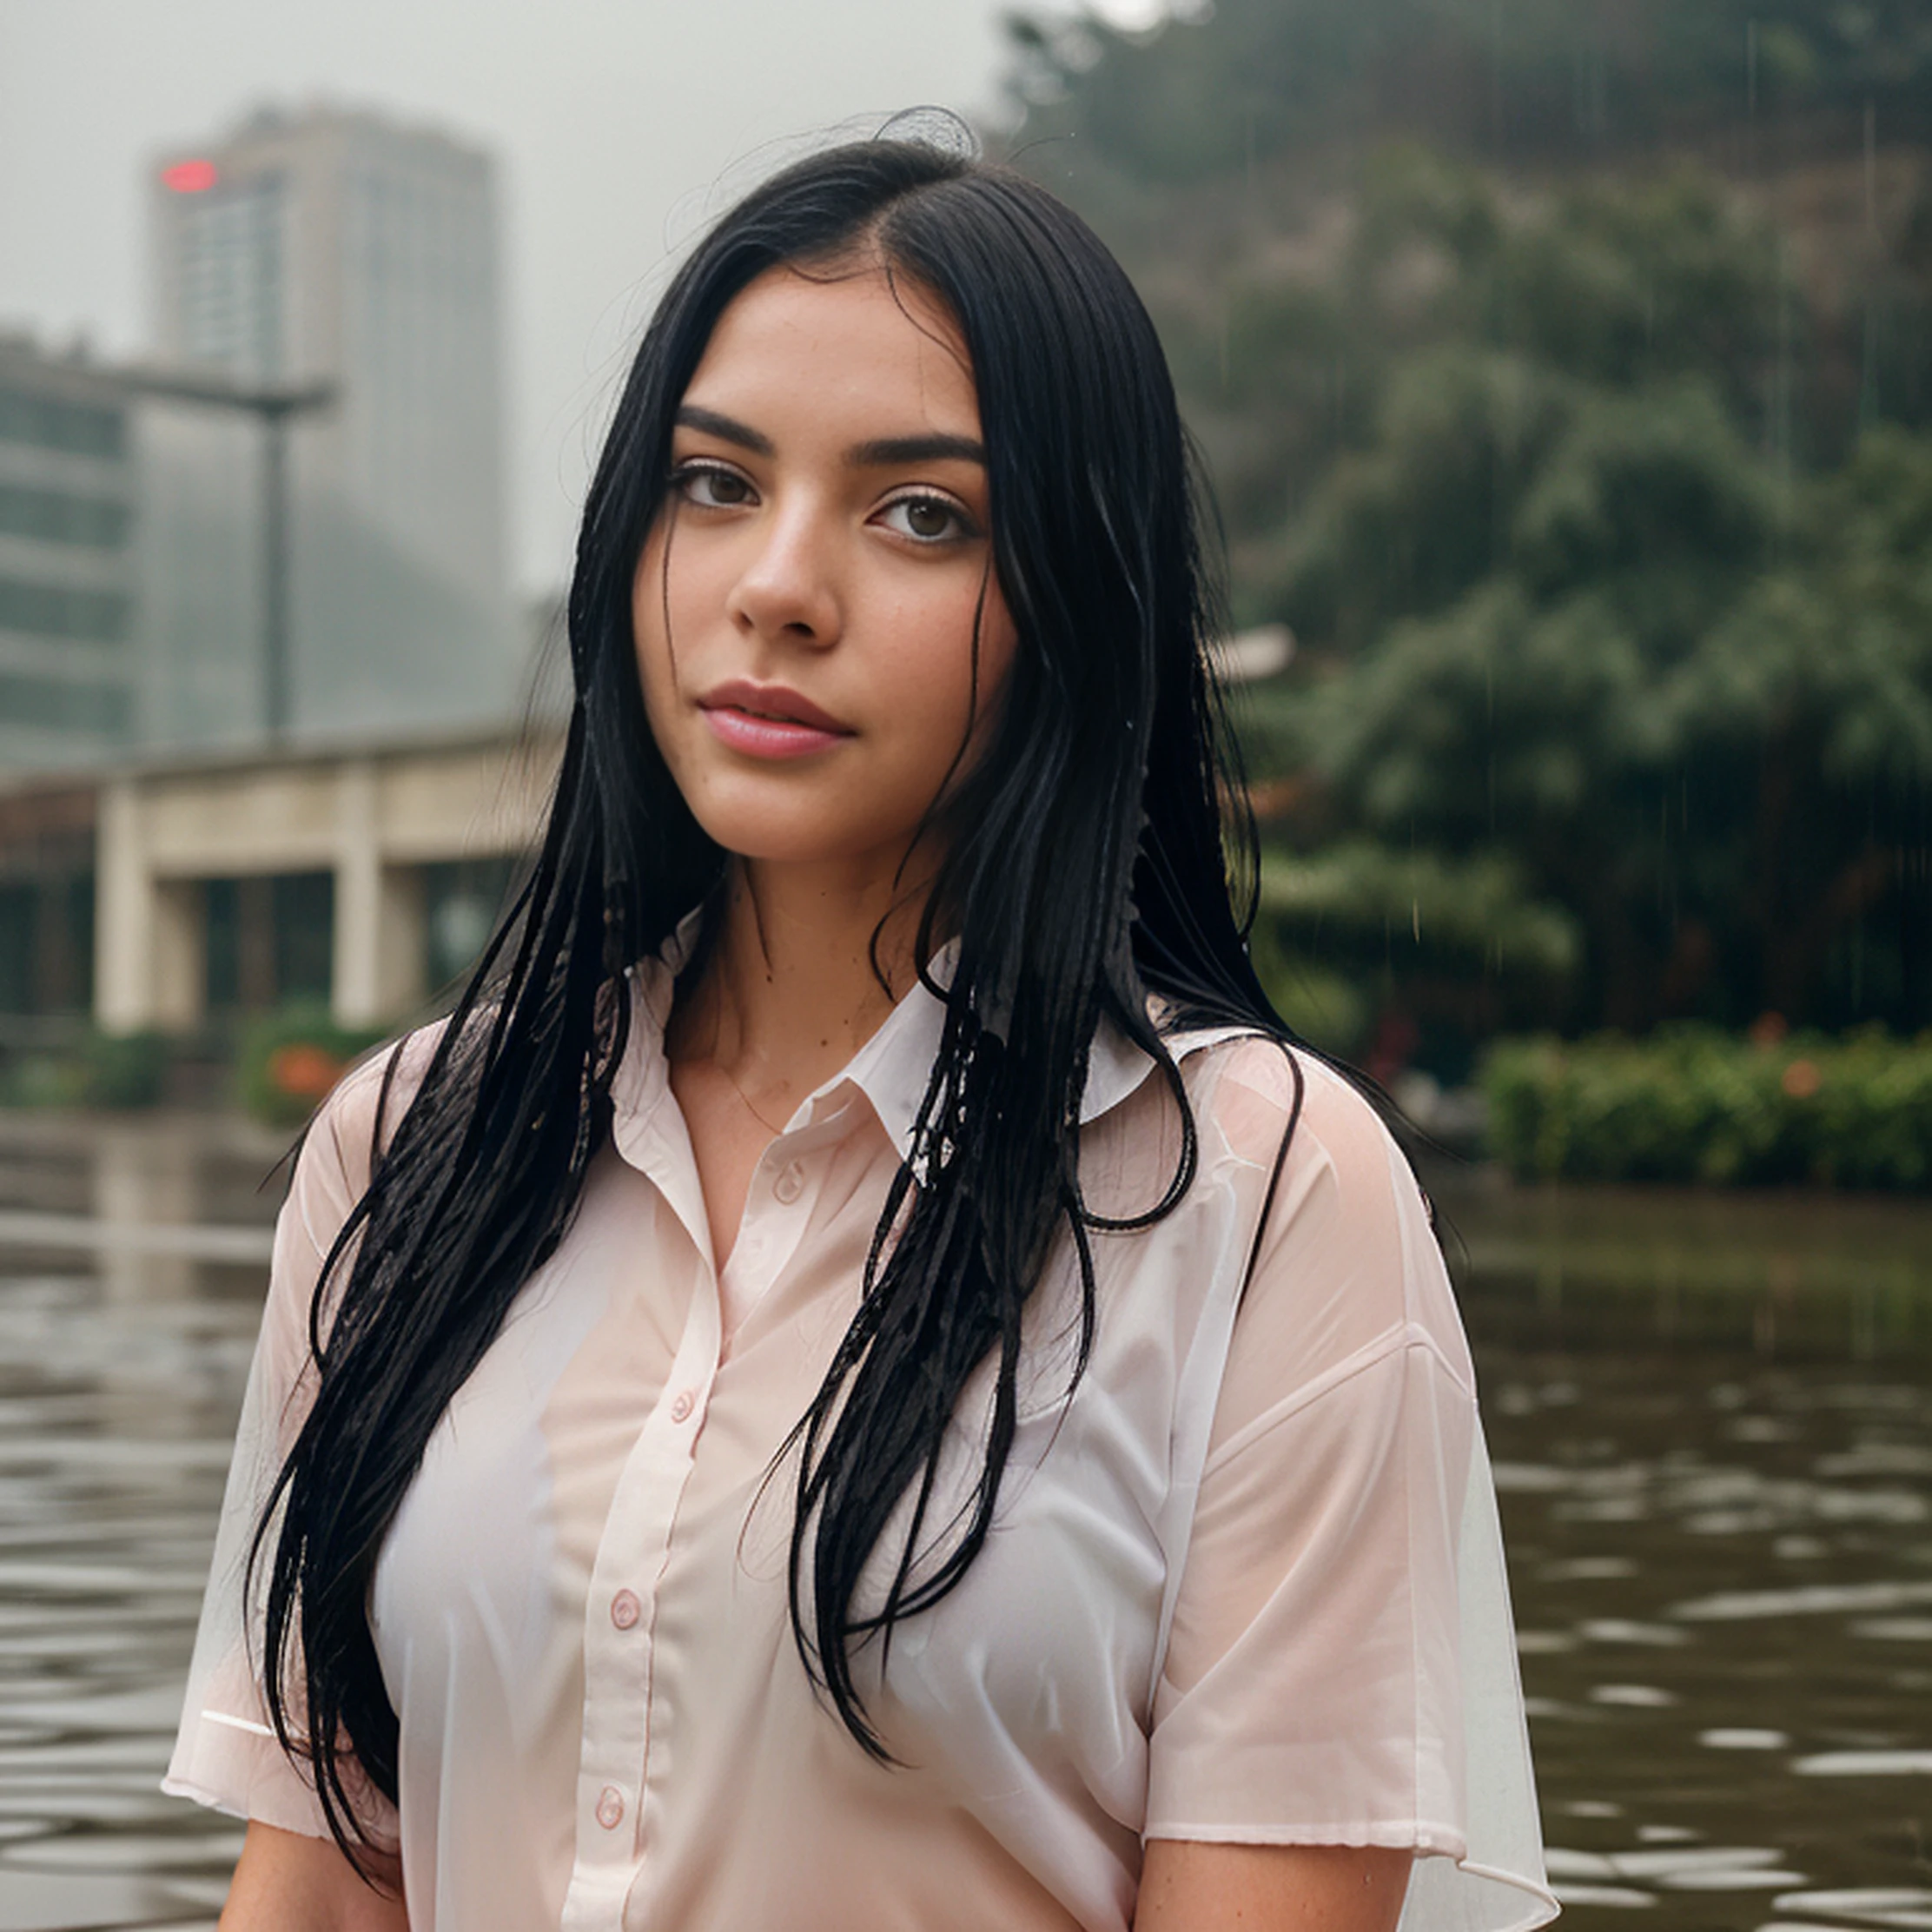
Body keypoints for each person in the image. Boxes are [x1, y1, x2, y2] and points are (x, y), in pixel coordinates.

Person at [165, 125, 1557, 1932]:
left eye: (922, 512)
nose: (777, 586)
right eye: (713, 481)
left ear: (1075, 603)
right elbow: (326, 1881)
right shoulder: (409, 1150)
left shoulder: (1263, 1200)